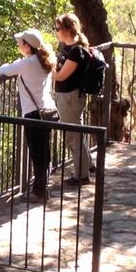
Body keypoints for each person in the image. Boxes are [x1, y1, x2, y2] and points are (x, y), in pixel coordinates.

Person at [0, 28, 56, 201]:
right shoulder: (43, 61)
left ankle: (39, 191)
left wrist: (17, 62)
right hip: (47, 111)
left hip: (33, 113)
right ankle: (42, 187)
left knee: (37, 153)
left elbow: (4, 69)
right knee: (44, 151)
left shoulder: (27, 63)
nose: (18, 44)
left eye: (21, 42)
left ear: (28, 46)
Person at [52, 12, 94, 184]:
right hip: (68, 97)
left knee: (72, 136)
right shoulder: (69, 48)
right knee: (77, 132)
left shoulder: (76, 51)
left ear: (68, 30)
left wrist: (47, 70)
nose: (56, 31)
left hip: (70, 97)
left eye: (58, 28)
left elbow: (61, 76)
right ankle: (87, 165)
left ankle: (81, 175)